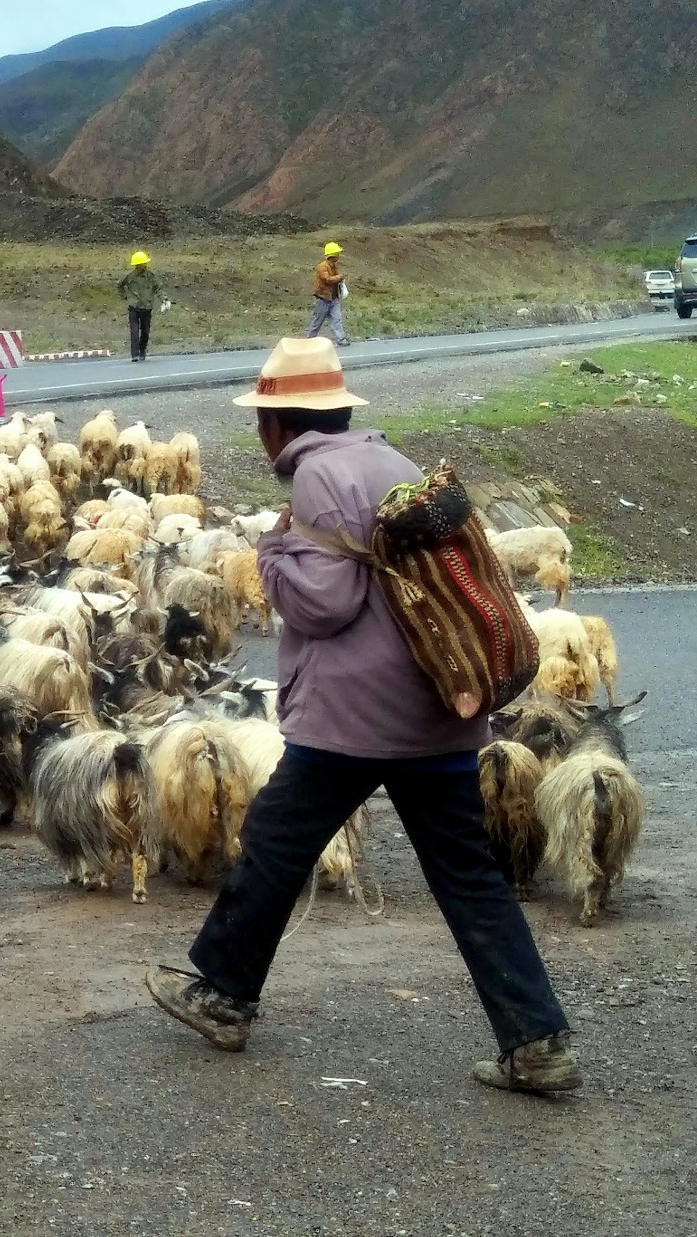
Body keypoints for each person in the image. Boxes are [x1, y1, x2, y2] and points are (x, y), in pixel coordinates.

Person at [146, 337, 578, 1094]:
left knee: (277, 844)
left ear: (284, 421)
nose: (260, 434)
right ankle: (537, 1039)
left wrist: (272, 553)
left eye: (263, 418)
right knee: (468, 876)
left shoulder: (317, 475)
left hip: (352, 721)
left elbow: (328, 602)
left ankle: (222, 995)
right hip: (441, 713)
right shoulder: (396, 464)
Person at [117, 250, 162, 363]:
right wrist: (126, 297)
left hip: (147, 308)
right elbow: (120, 285)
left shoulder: (151, 276)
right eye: (142, 263)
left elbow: (158, 288)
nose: (144, 265)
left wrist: (163, 299)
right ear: (137, 265)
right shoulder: (130, 277)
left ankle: (142, 351)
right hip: (134, 308)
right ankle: (134, 354)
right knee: (134, 332)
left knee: (145, 332)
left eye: (145, 263)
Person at [305, 241, 350, 345]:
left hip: (333, 298)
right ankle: (309, 341)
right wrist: (340, 277)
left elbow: (336, 277)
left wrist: (340, 278)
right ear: (333, 255)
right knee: (317, 322)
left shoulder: (333, 266)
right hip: (323, 299)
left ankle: (341, 339)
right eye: (337, 253)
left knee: (337, 320)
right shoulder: (322, 267)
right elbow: (327, 279)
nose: (339, 256)